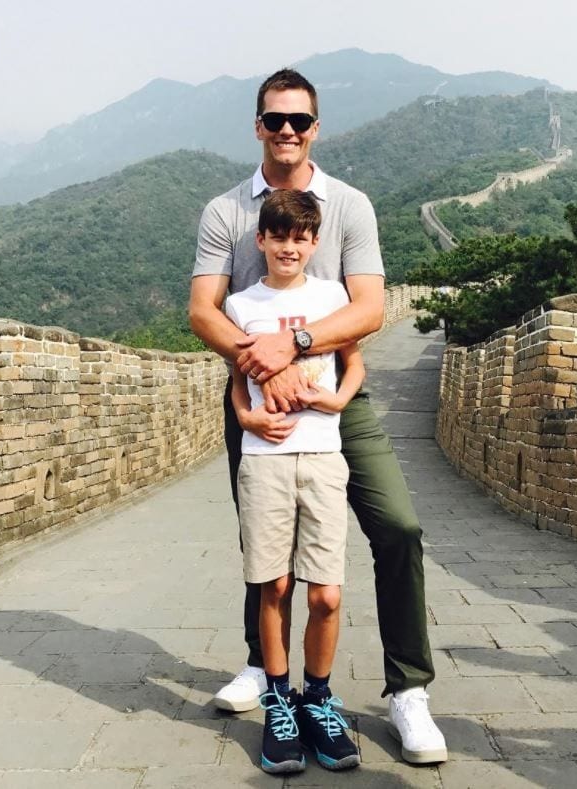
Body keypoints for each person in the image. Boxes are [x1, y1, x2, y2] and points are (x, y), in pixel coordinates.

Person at [189, 67, 447, 766]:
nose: (286, 132)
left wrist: (298, 345)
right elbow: (203, 309)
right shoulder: (227, 213)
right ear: (257, 126)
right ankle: (267, 674)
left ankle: (406, 688)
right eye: (274, 119)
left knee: (396, 525)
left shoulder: (349, 207)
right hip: (257, 394)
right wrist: (260, 364)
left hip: (339, 401)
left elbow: (367, 309)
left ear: (315, 128)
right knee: (265, 550)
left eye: (298, 121)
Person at [227, 188, 363, 773]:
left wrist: (338, 400)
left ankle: (319, 697)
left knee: (326, 592)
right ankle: (279, 702)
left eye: (300, 237)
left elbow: (354, 359)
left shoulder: (333, 297)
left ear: (314, 242)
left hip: (324, 455)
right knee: (274, 587)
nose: (289, 247)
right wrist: (243, 413)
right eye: (278, 236)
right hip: (266, 458)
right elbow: (237, 375)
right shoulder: (240, 305)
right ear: (262, 241)